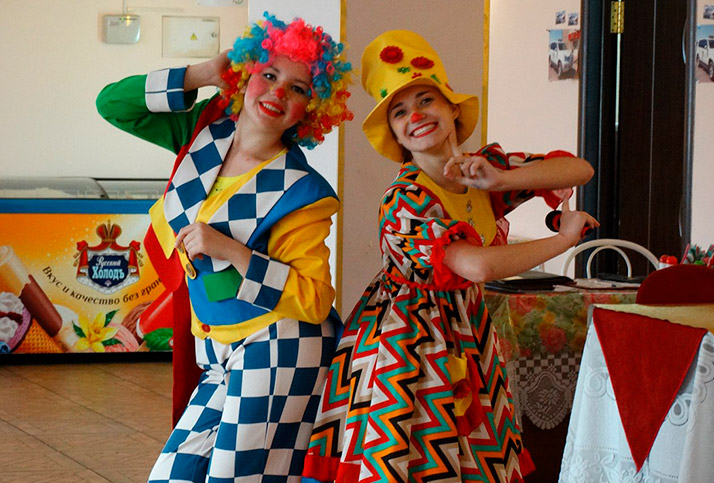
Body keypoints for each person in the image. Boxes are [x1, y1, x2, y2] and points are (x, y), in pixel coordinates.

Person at [301, 30, 597, 483]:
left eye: (426, 101)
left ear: (453, 108)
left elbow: (579, 168)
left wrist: (500, 180)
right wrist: (563, 241)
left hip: (467, 331)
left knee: (472, 458)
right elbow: (477, 265)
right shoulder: (404, 199)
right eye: (400, 112)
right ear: (394, 134)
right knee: (410, 462)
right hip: (406, 345)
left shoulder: (483, 170)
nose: (416, 116)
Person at [96, 12, 353, 482]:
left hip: (281, 344)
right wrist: (201, 74)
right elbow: (112, 104)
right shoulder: (202, 133)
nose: (278, 92)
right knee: (173, 475)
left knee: (237, 477)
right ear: (245, 76)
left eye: (297, 88)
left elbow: (316, 299)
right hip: (216, 347)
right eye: (268, 75)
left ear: (311, 108)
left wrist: (234, 251)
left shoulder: (302, 191)